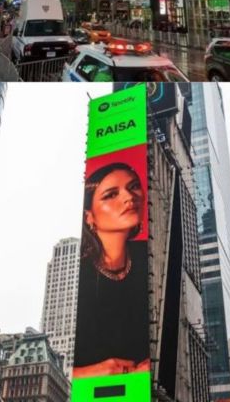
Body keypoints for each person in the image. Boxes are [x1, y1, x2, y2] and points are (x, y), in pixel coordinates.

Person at [73, 162, 150, 378]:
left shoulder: (150, 257)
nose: (129, 197)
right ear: (89, 216)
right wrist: (90, 373)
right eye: (111, 194)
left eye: (133, 186)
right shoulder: (76, 274)